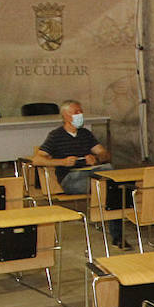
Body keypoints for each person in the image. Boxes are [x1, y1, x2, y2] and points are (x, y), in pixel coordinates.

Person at [32, 99, 116, 242]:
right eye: (76, 112)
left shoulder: (85, 134)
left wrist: (96, 158)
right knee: (107, 187)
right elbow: (37, 160)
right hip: (71, 178)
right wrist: (62, 162)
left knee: (111, 176)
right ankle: (115, 230)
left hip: (91, 171)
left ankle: (114, 222)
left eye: (81, 112)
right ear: (65, 116)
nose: (80, 115)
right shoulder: (56, 136)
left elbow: (105, 154)